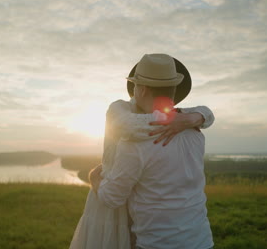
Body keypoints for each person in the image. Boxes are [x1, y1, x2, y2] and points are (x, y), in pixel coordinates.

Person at [69, 54, 214, 249]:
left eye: (135, 86)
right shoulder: (194, 130)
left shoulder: (135, 142)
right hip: (201, 240)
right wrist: (198, 116)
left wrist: (95, 180)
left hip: (157, 244)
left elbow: (112, 197)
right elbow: (204, 114)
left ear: (142, 90)